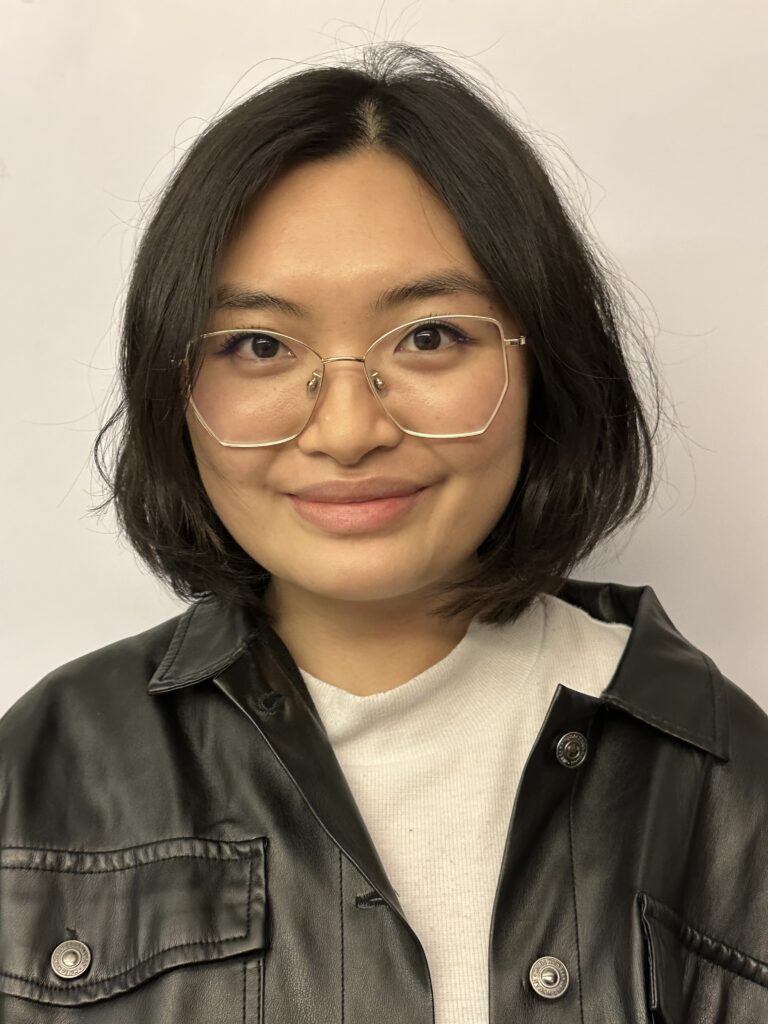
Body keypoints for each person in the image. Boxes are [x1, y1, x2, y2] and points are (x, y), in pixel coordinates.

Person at [1, 41, 766, 1024]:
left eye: (430, 337)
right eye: (260, 345)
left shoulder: (728, 789)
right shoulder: (40, 773)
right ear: (175, 388)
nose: (350, 429)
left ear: (545, 363)